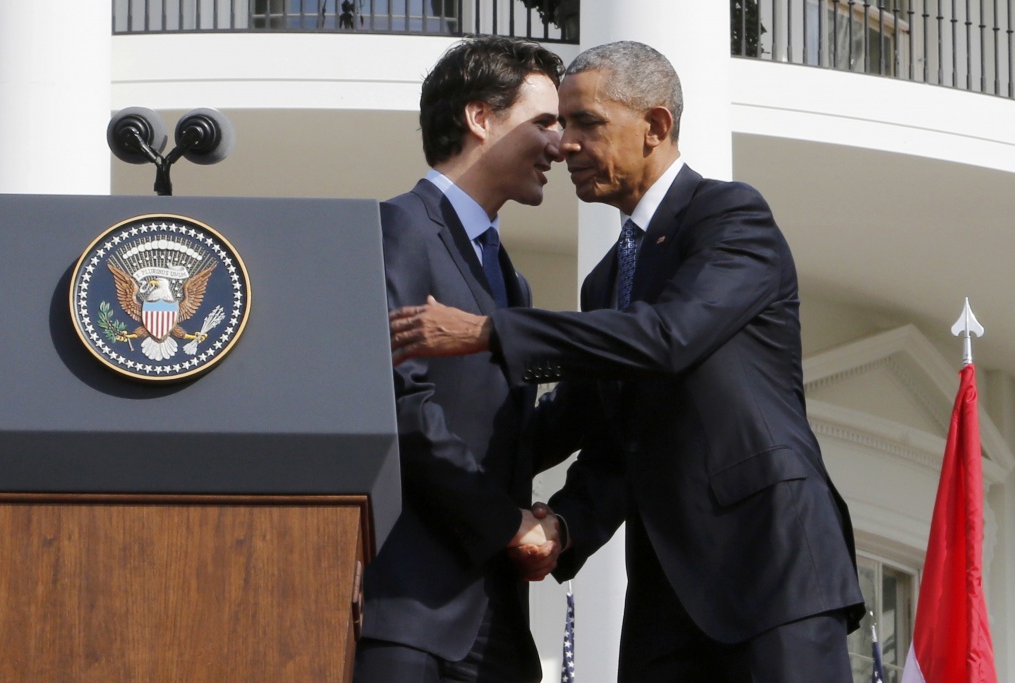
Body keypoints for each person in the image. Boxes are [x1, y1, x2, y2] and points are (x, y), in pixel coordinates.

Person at [389, 40, 866, 682]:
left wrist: (489, 331)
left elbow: (668, 337)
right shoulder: (606, 280)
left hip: (771, 573)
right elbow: (609, 437)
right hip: (664, 599)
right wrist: (558, 526)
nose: (566, 145)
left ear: (656, 126)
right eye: (559, 123)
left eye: (586, 122)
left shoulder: (730, 217)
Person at [353, 36, 566, 683]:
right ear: (480, 118)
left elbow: (510, 438)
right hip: (410, 616)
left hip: (496, 622)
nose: (561, 144)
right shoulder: (396, 229)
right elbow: (402, 407)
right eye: (545, 122)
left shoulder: (511, 278)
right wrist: (508, 524)